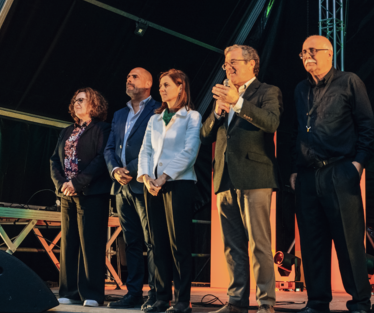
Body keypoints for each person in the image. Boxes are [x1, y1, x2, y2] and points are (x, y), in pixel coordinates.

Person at [289, 35, 374, 313]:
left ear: (330, 53)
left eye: (313, 50)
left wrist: (357, 164)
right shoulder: (300, 89)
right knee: (312, 243)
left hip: (340, 170)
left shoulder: (349, 81)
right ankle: (317, 302)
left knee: (349, 242)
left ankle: (360, 302)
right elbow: (296, 131)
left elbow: (367, 126)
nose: (307, 56)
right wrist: (294, 169)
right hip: (307, 175)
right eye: (303, 52)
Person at [200, 45, 282, 313]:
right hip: (225, 177)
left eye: (233, 62)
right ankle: (236, 302)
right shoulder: (223, 95)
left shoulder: (267, 91)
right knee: (232, 245)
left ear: (252, 63)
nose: (228, 67)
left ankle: (265, 303)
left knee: (259, 244)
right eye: (226, 63)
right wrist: (218, 112)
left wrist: (238, 102)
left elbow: (271, 122)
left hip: (255, 176)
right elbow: (205, 135)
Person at [137, 69, 201, 313]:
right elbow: (145, 150)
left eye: (166, 85)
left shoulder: (192, 116)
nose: (161, 89)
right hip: (152, 186)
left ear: (180, 87)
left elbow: (190, 151)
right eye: (161, 85)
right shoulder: (155, 119)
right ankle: (161, 298)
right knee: (158, 243)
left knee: (179, 244)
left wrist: (164, 176)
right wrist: (146, 177)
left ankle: (182, 301)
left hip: (178, 183)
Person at [104, 68, 161, 309]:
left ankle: (157, 294)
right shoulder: (119, 114)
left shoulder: (158, 109)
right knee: (131, 243)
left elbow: (155, 145)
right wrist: (115, 170)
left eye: (135, 76)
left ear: (149, 83)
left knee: (152, 241)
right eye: (127, 76)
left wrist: (131, 170)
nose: (129, 79)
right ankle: (133, 293)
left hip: (144, 183)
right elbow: (109, 148)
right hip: (121, 187)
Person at [50, 87, 111, 308]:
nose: (77, 103)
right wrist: (62, 185)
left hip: (92, 193)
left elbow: (101, 159)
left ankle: (92, 292)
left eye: (82, 100)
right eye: (75, 100)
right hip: (67, 194)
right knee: (69, 242)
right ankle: (69, 291)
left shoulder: (102, 128)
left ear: (95, 105)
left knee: (91, 243)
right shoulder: (67, 130)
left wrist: (77, 183)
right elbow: (54, 160)